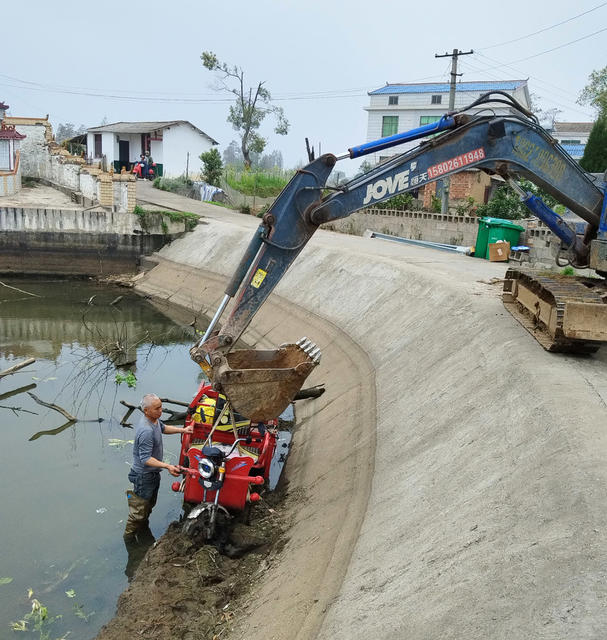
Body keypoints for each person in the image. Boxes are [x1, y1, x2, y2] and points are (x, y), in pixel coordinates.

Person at [124, 393, 193, 539]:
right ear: (146, 411)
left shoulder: (154, 421)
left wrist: (183, 430)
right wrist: (167, 466)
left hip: (153, 473)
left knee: (148, 506)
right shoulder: (146, 430)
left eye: (161, 407)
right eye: (157, 408)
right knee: (139, 511)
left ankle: (143, 530)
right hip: (143, 475)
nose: (160, 411)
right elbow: (145, 459)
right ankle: (129, 539)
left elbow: (163, 428)